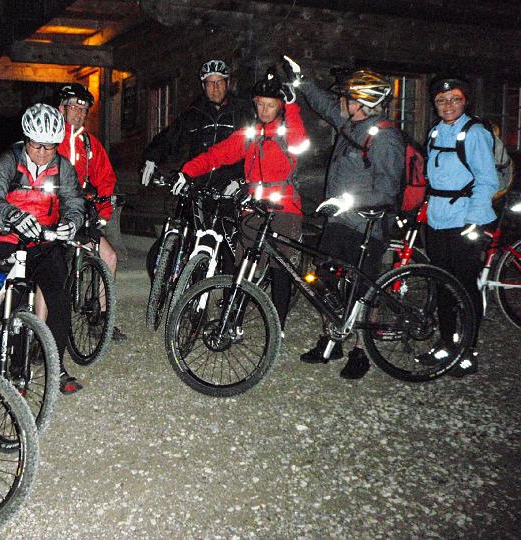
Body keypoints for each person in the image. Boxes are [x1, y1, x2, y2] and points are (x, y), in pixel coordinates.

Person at [282, 56, 404, 379]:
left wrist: (347, 202)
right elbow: (324, 105)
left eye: (347, 98)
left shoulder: (385, 139)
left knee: (363, 290)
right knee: (323, 279)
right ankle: (333, 338)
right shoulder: (351, 123)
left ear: (363, 103)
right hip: (339, 221)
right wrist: (302, 81)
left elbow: (388, 191)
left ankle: (361, 350)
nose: (341, 102)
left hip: (367, 226)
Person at [174, 68, 309, 335]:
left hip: (285, 209)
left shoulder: (287, 132)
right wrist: (187, 171)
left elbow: (300, 143)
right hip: (254, 208)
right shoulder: (251, 134)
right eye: (260, 104)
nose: (264, 110)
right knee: (243, 265)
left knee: (280, 268)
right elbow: (217, 155)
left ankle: (277, 327)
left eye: (270, 105)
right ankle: (234, 319)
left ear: (279, 107)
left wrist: (293, 107)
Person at [0, 103, 86, 394]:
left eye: (50, 147)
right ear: (26, 140)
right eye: (37, 145)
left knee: (59, 299)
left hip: (44, 239)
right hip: (9, 238)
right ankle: (16, 370)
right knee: (15, 302)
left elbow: (74, 203)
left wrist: (71, 223)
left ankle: (56, 365)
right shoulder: (9, 160)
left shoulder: (63, 167)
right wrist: (13, 215)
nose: (42, 152)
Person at [422, 76, 498, 377]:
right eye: (441, 100)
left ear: (465, 100)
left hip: (465, 220)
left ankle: (468, 350)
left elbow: (487, 180)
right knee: (442, 283)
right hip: (438, 219)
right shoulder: (435, 131)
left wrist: (475, 221)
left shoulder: (475, 133)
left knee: (465, 286)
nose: (448, 105)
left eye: (454, 99)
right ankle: (446, 342)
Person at [57, 83, 127, 341]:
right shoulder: (50, 138)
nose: (79, 113)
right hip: (52, 217)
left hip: (81, 216)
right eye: (74, 107)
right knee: (51, 268)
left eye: (83, 109)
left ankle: (100, 319)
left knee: (109, 257)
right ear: (62, 108)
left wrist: (103, 213)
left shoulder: (90, 144)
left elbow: (106, 179)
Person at [141, 59, 256, 192]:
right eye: (210, 83)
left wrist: (241, 180)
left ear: (227, 83)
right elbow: (170, 137)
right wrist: (151, 157)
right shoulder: (194, 113)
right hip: (198, 187)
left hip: (231, 189)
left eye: (219, 82)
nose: (215, 88)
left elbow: (255, 151)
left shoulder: (242, 112)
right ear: (203, 86)